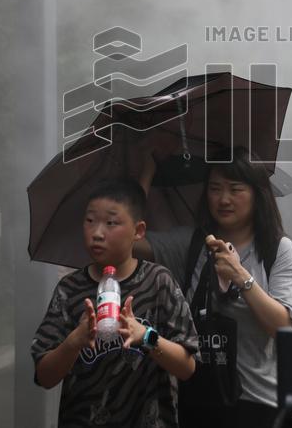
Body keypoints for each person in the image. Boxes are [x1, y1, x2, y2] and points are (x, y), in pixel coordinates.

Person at [139, 148, 292, 427]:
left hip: (256, 402)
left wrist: (242, 277)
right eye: (215, 188)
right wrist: (145, 178)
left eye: (235, 189)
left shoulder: (277, 249)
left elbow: (285, 330)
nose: (223, 199)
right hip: (196, 398)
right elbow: (126, 242)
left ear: (257, 194)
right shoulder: (189, 244)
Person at [30, 178, 199, 428]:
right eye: (90, 221)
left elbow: (187, 368)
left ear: (138, 231)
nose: (97, 233)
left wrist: (146, 336)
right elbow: (44, 376)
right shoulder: (70, 289)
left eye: (111, 223)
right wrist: (74, 341)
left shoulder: (158, 282)